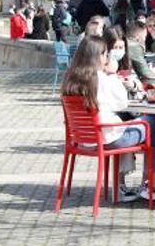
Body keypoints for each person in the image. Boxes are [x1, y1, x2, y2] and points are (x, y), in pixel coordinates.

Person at [61, 35, 146, 202]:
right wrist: (113, 74)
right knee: (152, 125)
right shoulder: (100, 78)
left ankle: (123, 185)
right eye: (105, 54)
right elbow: (122, 103)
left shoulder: (70, 78)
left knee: (128, 126)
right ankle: (150, 185)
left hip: (83, 139)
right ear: (96, 56)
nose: (107, 58)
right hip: (107, 139)